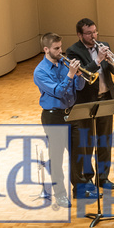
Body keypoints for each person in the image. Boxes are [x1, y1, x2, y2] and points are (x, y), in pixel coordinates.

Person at [66, 18, 114, 189]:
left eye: (95, 32)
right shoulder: (73, 51)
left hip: (105, 98)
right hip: (87, 101)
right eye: (89, 33)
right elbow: (83, 73)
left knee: (104, 140)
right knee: (87, 143)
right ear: (79, 35)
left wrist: (112, 59)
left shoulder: (103, 44)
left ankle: (103, 178)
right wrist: (97, 60)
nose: (93, 36)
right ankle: (88, 176)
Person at [34, 32, 87, 205]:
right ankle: (60, 194)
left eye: (61, 47)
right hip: (53, 116)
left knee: (78, 153)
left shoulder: (64, 64)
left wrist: (79, 75)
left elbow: (78, 87)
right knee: (56, 158)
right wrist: (70, 74)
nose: (60, 51)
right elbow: (58, 91)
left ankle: (79, 189)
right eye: (56, 49)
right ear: (46, 49)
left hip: (71, 113)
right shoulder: (40, 72)